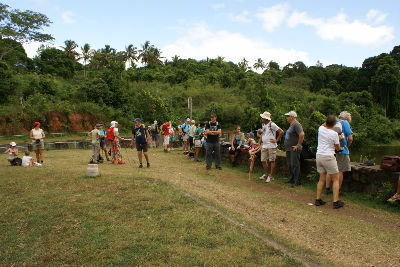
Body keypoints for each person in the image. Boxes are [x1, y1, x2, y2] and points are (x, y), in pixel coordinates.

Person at [315, 115, 344, 209]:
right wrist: (340, 138)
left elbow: (324, 125)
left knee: (321, 178)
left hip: (319, 156)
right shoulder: (334, 134)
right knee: (335, 179)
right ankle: (336, 201)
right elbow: (337, 147)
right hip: (328, 157)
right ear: (334, 124)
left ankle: (318, 199)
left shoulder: (321, 128)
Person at [326, 111, 354, 195]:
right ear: (347, 119)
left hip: (332, 149)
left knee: (330, 169)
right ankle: (338, 190)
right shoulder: (345, 123)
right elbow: (350, 138)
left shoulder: (334, 122)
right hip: (342, 150)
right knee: (340, 170)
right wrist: (347, 146)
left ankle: (327, 189)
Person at [258, 112, 284, 182]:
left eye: (262, 117)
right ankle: (266, 174)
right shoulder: (263, 124)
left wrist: (276, 140)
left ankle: (271, 176)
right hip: (264, 145)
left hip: (271, 145)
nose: (262, 118)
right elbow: (263, 133)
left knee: (272, 160)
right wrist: (260, 139)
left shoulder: (272, 124)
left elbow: (281, 131)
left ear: (265, 118)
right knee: (263, 160)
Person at [284, 111, 305, 187]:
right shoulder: (291, 125)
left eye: (288, 116)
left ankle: (297, 181)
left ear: (292, 117)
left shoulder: (296, 124)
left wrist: (298, 145)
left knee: (295, 164)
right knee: (290, 164)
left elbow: (302, 134)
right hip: (289, 148)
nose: (287, 118)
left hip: (294, 148)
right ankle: (292, 178)